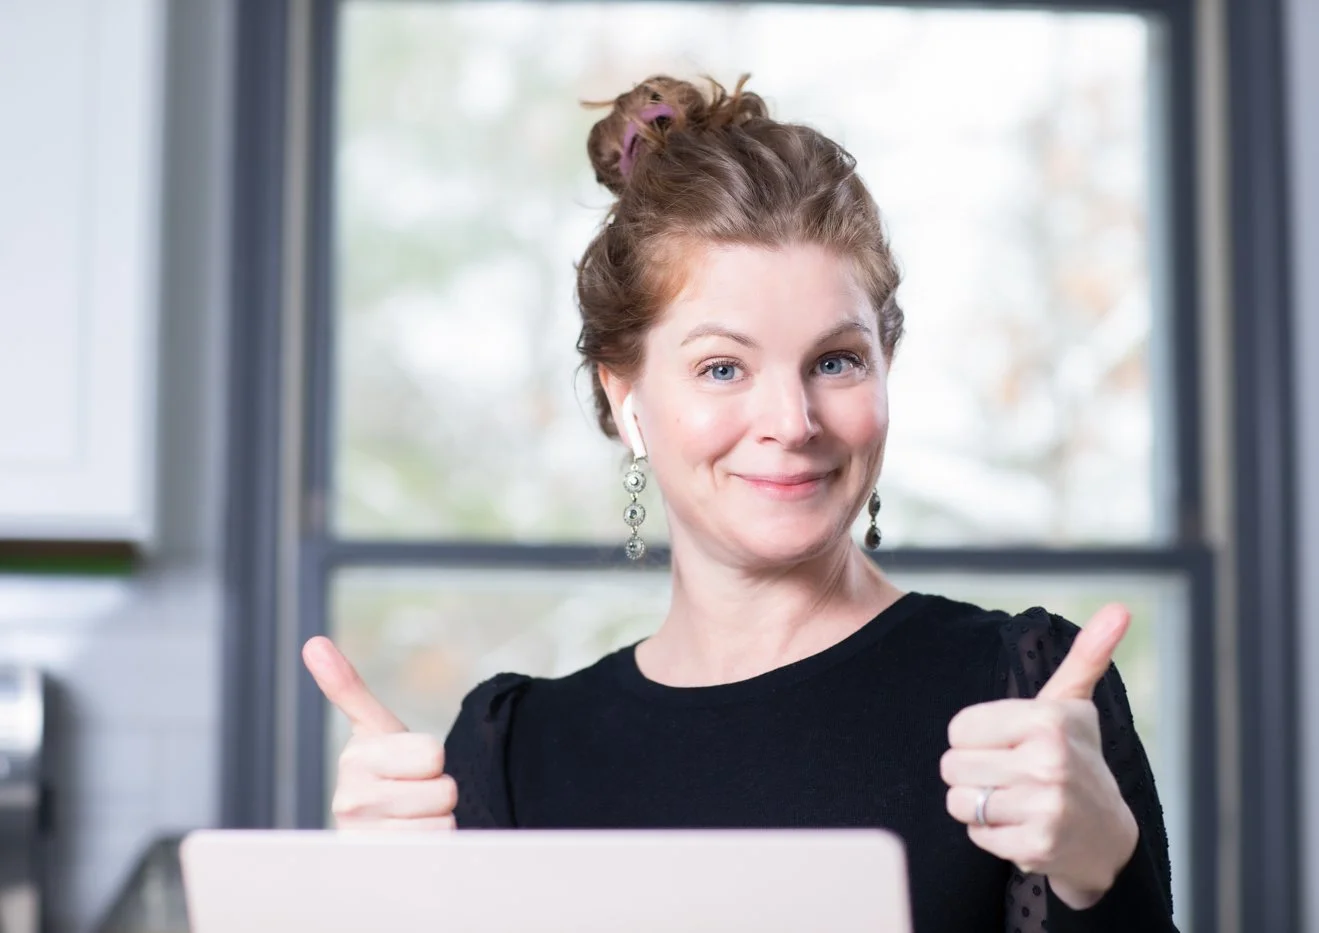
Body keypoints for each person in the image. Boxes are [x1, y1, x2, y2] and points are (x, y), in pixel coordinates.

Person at [303, 74, 1176, 933]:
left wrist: (1101, 876)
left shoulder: (1028, 697)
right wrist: (379, 910)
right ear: (625, 401)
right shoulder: (511, 748)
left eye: (836, 360)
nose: (792, 422)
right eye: (724, 368)